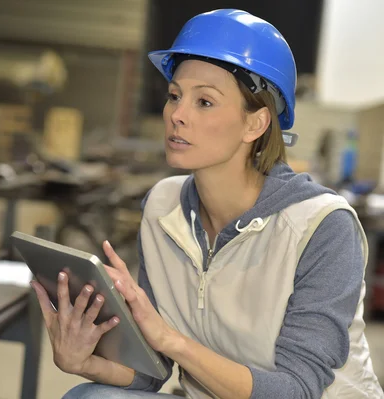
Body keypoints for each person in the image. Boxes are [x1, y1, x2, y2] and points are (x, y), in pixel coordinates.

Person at [30, 9, 384, 398]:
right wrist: (83, 362)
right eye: (174, 96)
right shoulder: (163, 208)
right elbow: (152, 372)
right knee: (87, 396)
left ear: (256, 124)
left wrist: (172, 340)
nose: (177, 115)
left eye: (205, 102)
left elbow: (296, 390)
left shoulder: (321, 226)